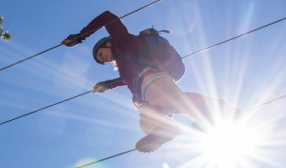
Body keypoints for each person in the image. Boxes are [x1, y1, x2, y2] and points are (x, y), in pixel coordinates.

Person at [63, 11, 240, 152]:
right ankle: (213, 114)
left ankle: (215, 113)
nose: (105, 60)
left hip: (154, 81)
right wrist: (107, 85)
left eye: (102, 55)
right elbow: (126, 80)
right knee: (152, 119)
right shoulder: (124, 65)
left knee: (170, 106)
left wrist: (80, 36)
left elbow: (107, 17)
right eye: (102, 61)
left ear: (108, 44)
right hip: (146, 94)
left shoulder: (123, 41)